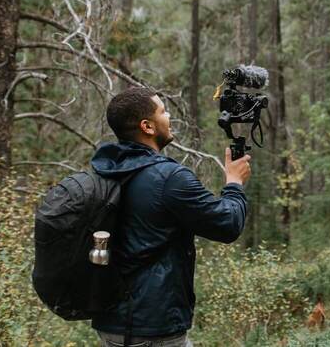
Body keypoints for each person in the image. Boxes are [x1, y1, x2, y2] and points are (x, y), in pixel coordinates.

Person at [91, 87, 252, 347]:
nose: (169, 117)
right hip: (154, 329)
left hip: (110, 325)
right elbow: (228, 224)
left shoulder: (104, 171)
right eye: (163, 112)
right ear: (147, 126)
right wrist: (234, 183)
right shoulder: (170, 178)